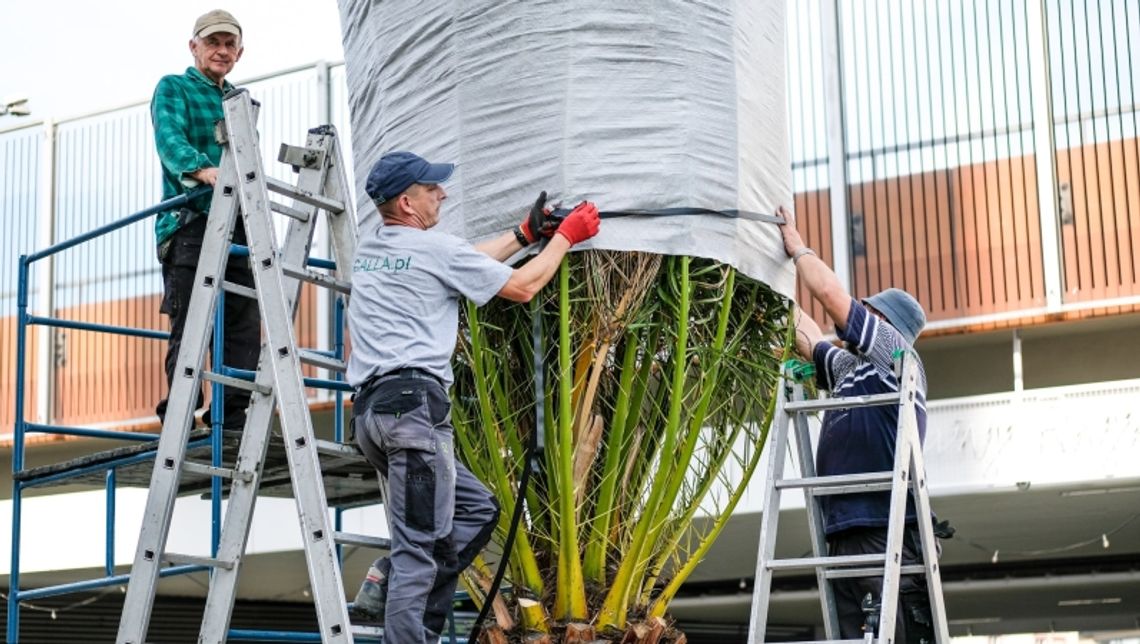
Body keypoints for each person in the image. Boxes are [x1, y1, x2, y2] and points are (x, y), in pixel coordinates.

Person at [346, 151, 600, 642]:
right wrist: (567, 237)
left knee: (476, 509)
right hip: (415, 414)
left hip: (375, 416)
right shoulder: (433, 249)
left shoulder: (372, 247)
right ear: (407, 201)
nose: (442, 193)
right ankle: (404, 611)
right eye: (431, 188)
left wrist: (524, 236)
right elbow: (523, 287)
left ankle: (388, 578)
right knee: (419, 548)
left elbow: (463, 263)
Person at [778, 206, 936, 641]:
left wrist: (797, 247)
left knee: (885, 628)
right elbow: (808, 336)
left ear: (883, 321)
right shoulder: (853, 368)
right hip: (844, 528)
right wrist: (770, 290)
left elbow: (830, 295)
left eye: (867, 309)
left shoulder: (894, 354)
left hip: (879, 528)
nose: (855, 312)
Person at [151, 10, 260, 431]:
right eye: (212, 42)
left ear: (240, 52)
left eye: (229, 44)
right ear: (193, 46)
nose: (221, 50)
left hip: (236, 223)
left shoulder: (239, 102)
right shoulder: (174, 87)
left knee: (243, 324)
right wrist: (203, 170)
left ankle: (230, 417)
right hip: (191, 220)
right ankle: (179, 415)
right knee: (194, 321)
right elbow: (169, 138)